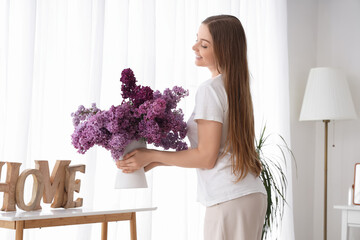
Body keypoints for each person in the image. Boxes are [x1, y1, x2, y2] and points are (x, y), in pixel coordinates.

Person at [116, 14, 267, 240]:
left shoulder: (210, 89)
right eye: (197, 39)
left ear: (224, 50)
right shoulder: (235, 87)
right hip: (247, 194)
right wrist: (152, 160)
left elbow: (206, 157)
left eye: (204, 44)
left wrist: (151, 155)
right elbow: (220, 151)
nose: (195, 46)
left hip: (228, 198)